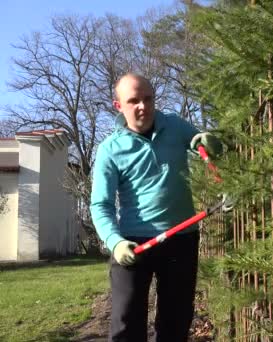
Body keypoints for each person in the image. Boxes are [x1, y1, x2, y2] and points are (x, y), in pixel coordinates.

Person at [90, 73, 222, 342]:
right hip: (133, 243)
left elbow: (199, 144)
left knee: (176, 321)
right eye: (134, 100)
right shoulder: (109, 149)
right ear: (119, 106)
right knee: (126, 324)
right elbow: (100, 204)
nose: (143, 106)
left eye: (148, 99)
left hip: (181, 238)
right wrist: (115, 242)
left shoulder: (174, 125)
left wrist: (207, 143)